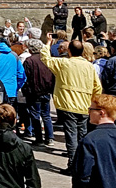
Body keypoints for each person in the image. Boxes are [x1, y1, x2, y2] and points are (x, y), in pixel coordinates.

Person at [41, 35, 102, 175]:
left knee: (71, 137)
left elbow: (45, 58)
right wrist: (93, 101)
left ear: (69, 51)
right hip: (84, 106)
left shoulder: (63, 63)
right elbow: (97, 87)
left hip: (68, 105)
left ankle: (74, 165)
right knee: (82, 136)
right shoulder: (89, 66)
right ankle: (84, 164)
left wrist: (48, 43)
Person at [21, 39, 55, 147]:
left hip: (34, 92)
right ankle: (49, 138)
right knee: (46, 114)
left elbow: (26, 77)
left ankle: (39, 138)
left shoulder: (29, 61)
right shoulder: (46, 59)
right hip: (46, 90)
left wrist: (25, 90)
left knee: (35, 115)